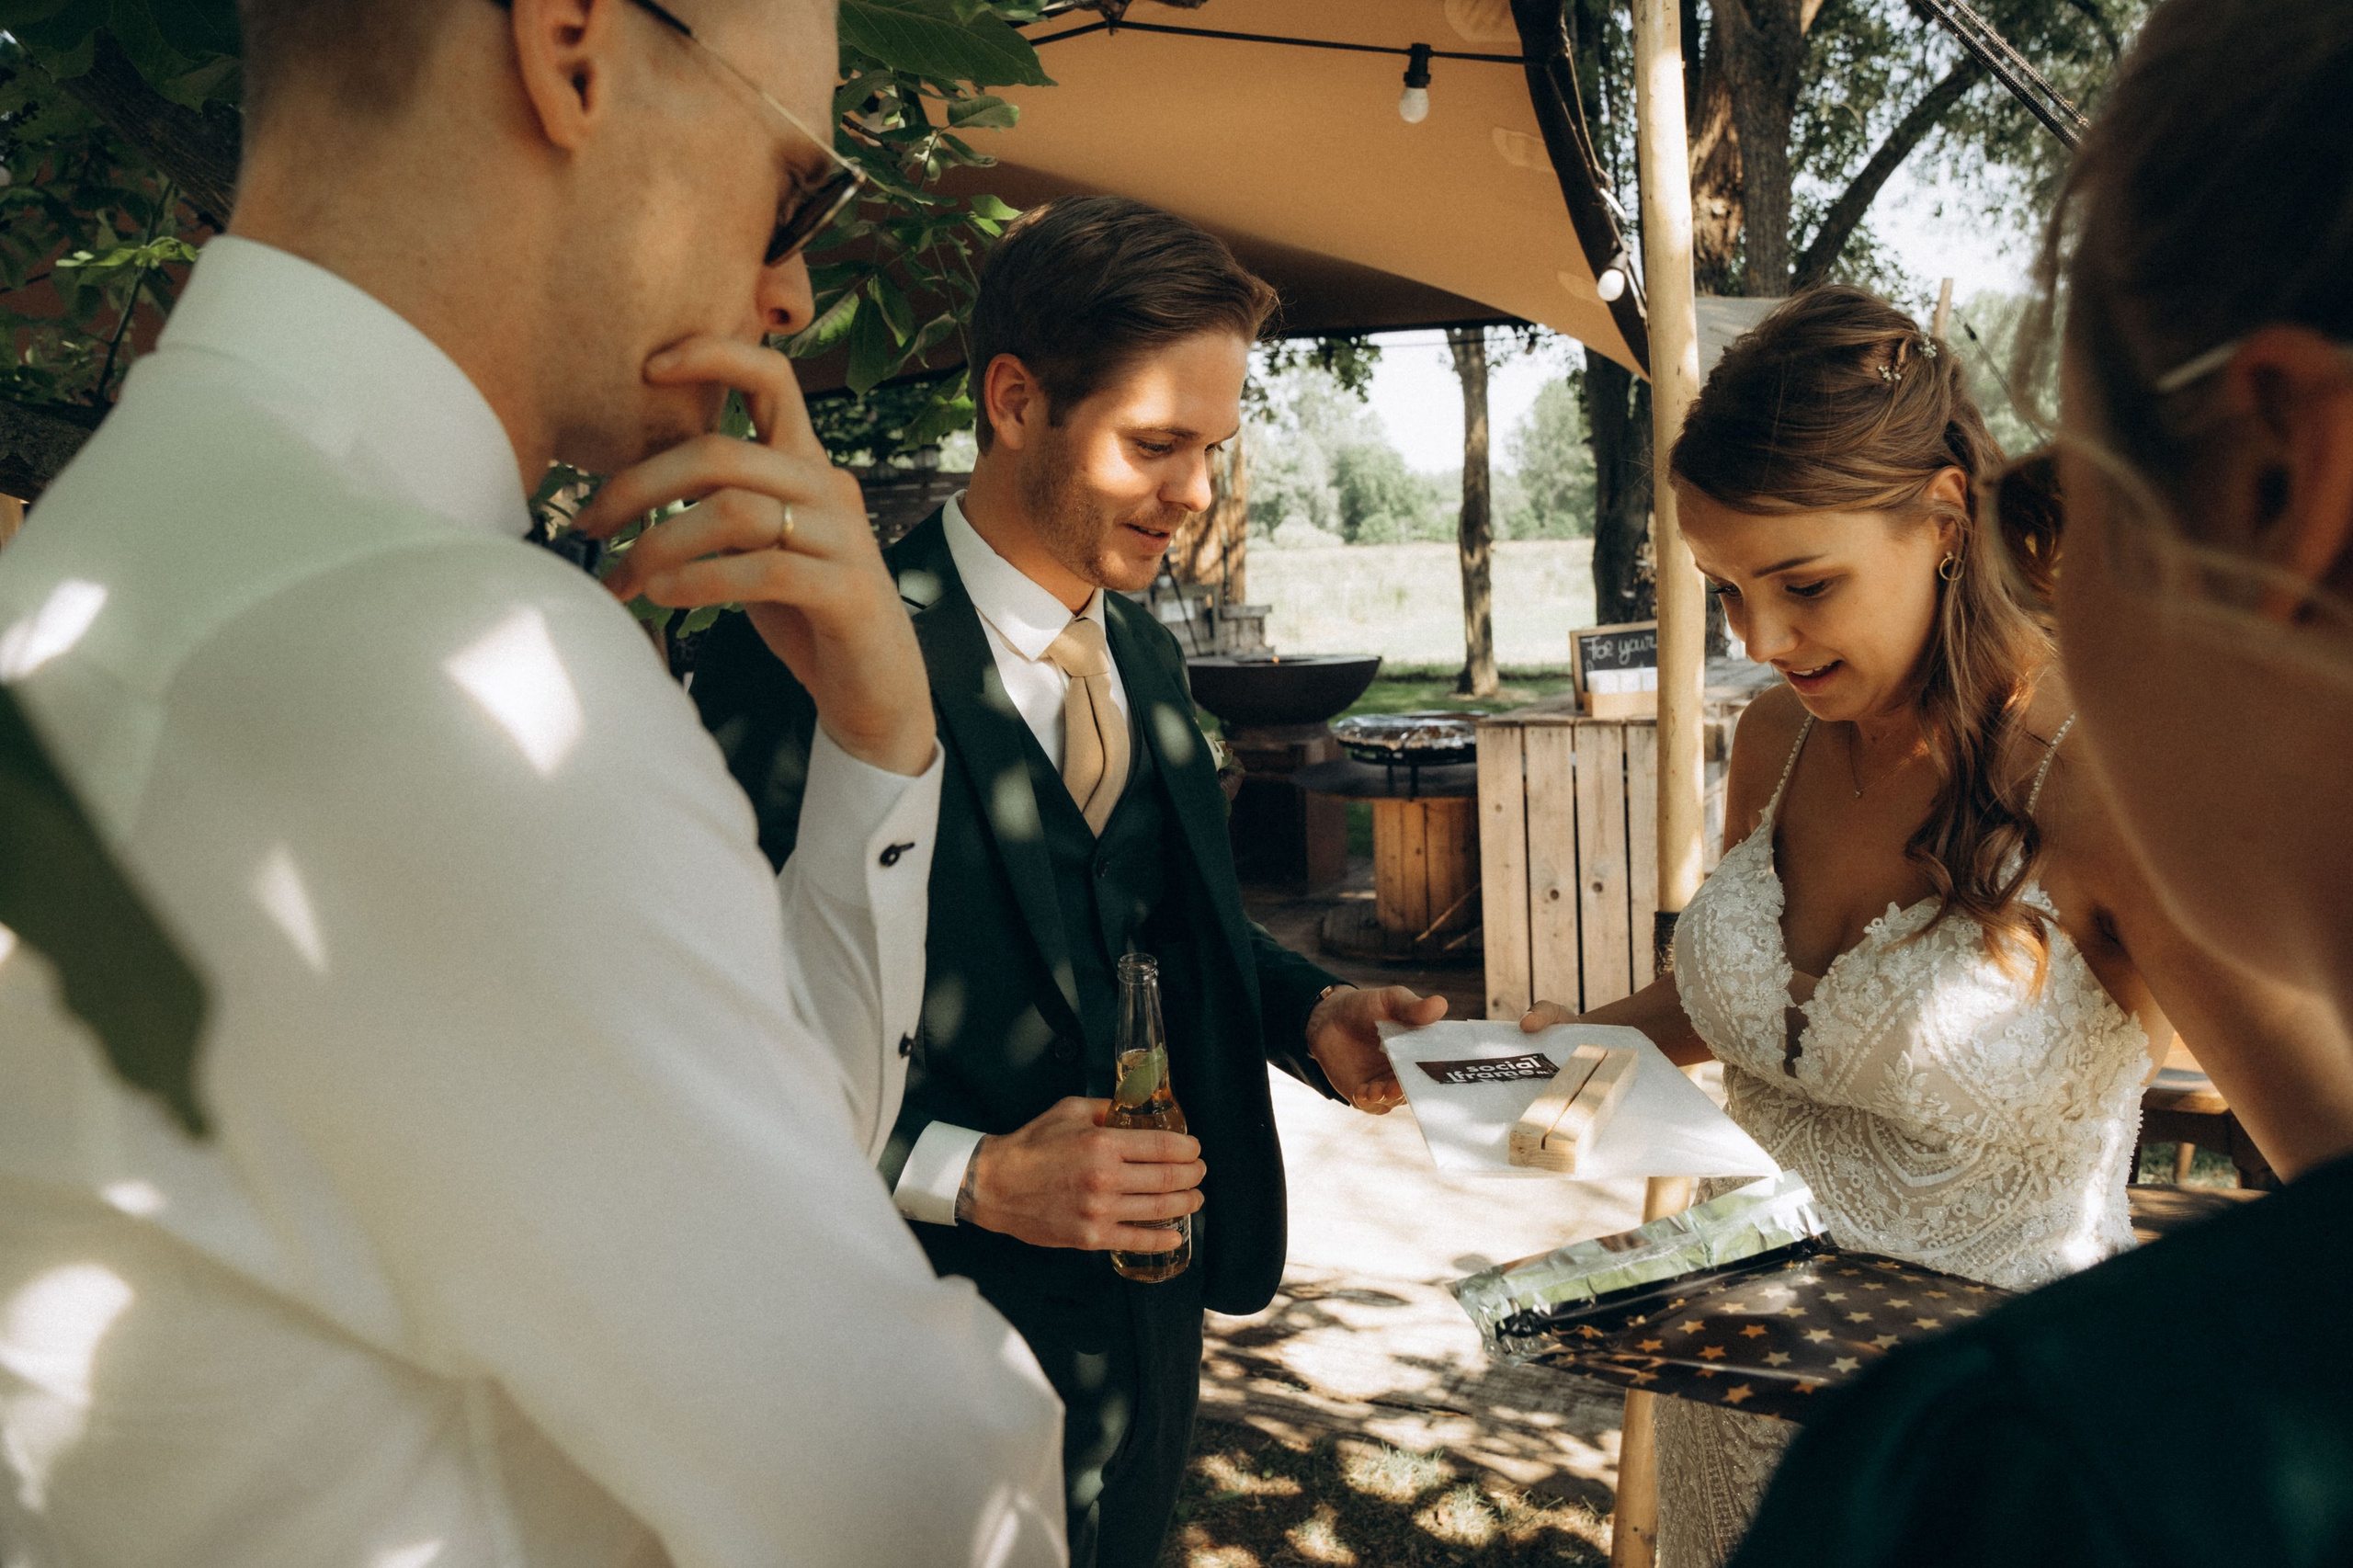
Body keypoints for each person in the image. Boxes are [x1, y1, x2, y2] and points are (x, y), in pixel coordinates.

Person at [0, 1, 1065, 1563]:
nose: (793, 285)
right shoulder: (442, 668)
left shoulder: (113, 561)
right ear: (569, 48)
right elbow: (912, 1507)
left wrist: (873, 735)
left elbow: (748, 1156)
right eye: (797, 186)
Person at [1518, 283, 2353, 1567]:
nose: (1764, 638)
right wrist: (1525, 1052)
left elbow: (2330, 1157)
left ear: (1945, 520)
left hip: (1980, 1476)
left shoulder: (2099, 779)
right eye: (1727, 591)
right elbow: (1758, 1014)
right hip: (1730, 1409)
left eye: (1804, 583)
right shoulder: (1777, 740)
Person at [688, 194, 1447, 1568]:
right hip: (911, 1339)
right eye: (1156, 445)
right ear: (1016, 400)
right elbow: (712, 1029)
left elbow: (1170, 922)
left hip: (1150, 1344)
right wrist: (973, 1177)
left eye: (1213, 448)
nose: (1199, 492)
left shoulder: (1150, 661)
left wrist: (1312, 1016)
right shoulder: (799, 647)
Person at [1723, 2, 2353, 1562]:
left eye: (2065, 485)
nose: (1766, 640)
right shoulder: (1775, 744)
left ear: (2286, 475)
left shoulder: (2023, 1464)